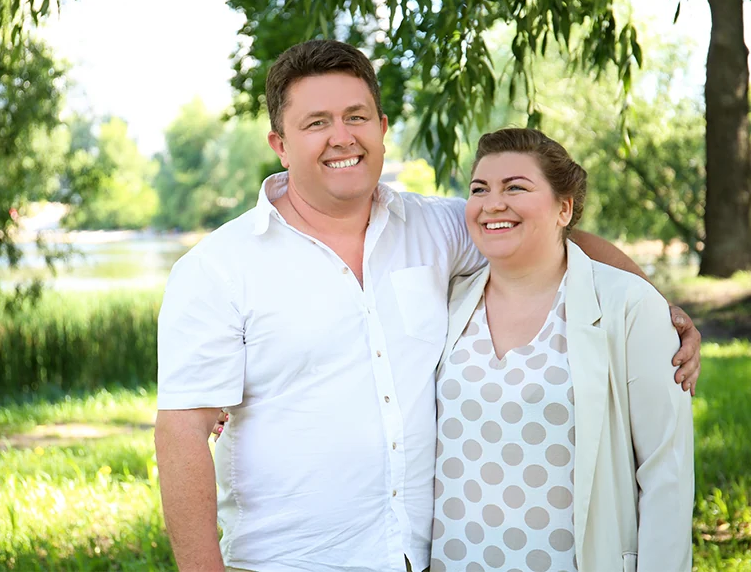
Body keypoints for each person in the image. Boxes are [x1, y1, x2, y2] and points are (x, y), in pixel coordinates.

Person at [154, 39, 701, 572]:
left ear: (383, 128)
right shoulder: (218, 267)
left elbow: (549, 236)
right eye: (317, 122)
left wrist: (660, 311)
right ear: (280, 143)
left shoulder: (436, 228)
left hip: (421, 555)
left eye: (356, 116)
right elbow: (182, 430)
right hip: (289, 559)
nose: (342, 137)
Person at [431, 128, 693, 572]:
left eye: (516, 187)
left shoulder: (627, 306)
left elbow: (666, 473)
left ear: (564, 208)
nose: (493, 202)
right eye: (480, 189)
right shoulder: (447, 300)